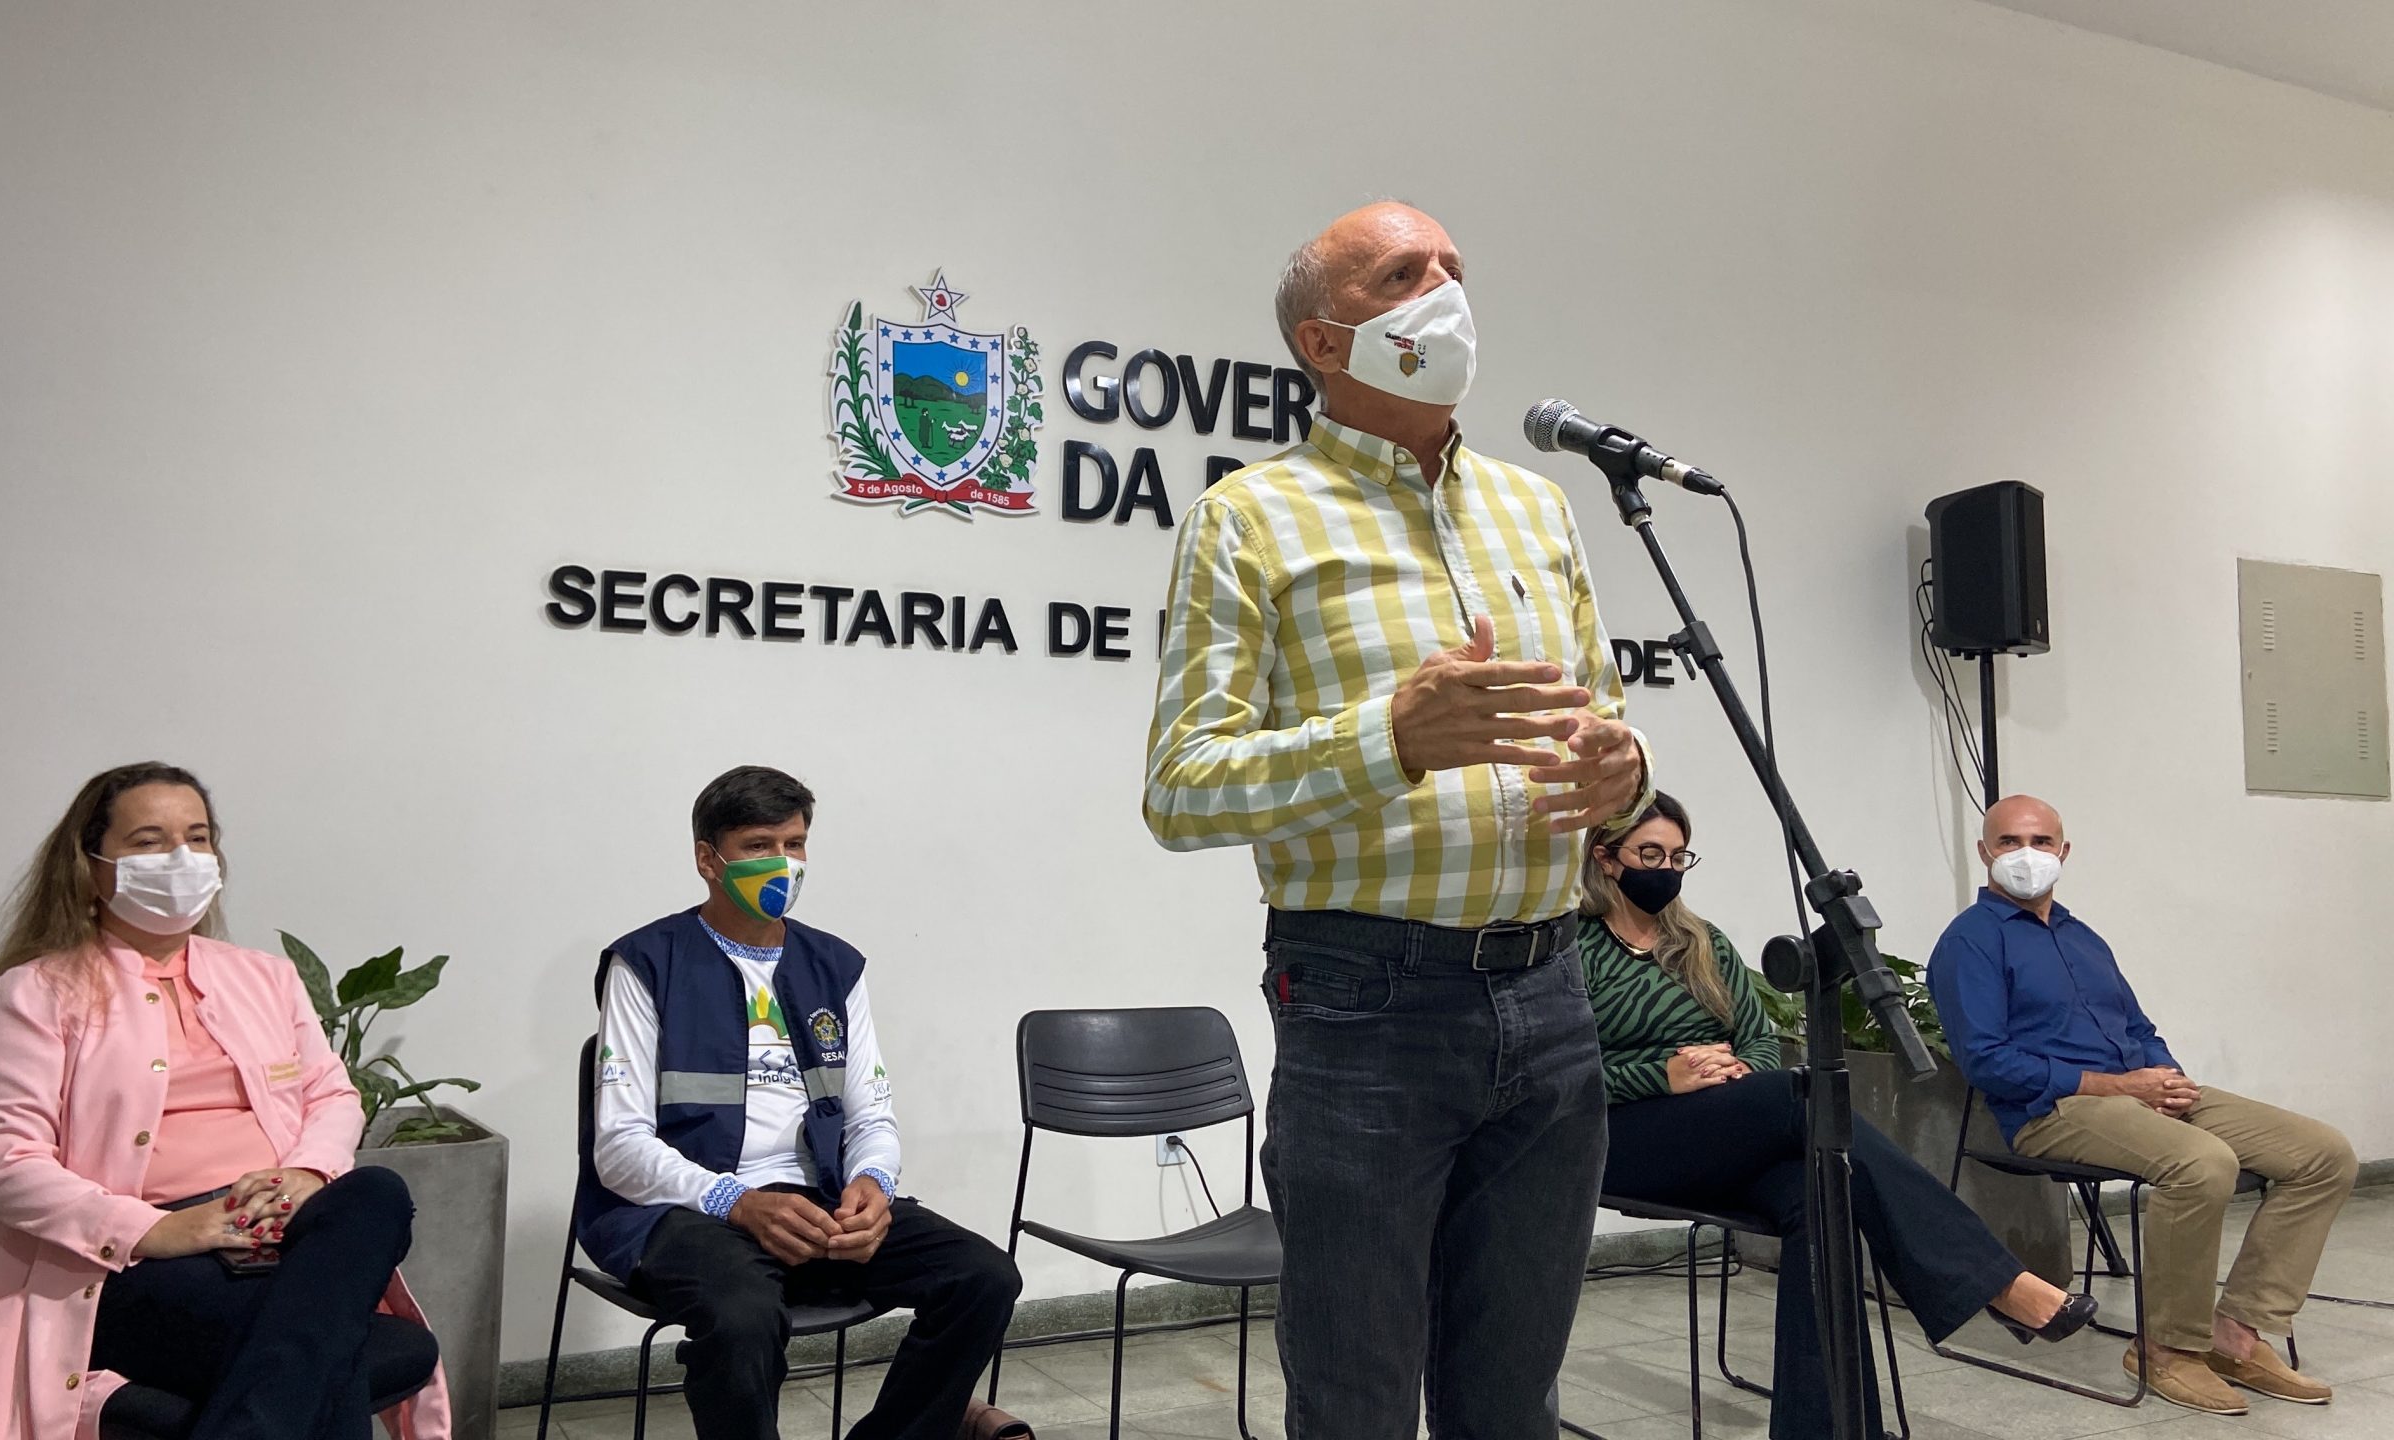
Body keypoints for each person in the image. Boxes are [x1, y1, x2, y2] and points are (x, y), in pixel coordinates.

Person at [1143, 201, 1650, 1437]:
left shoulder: (1538, 508)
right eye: (1402, 273)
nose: (1445, 290)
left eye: (1453, 267)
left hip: (1552, 990)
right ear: (1322, 341)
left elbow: (1607, 721)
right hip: (1365, 999)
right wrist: (1390, 740)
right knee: (1357, 1398)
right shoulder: (1249, 514)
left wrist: (1623, 772)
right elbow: (1182, 787)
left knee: (1511, 1399)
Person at [0, 762, 447, 1440]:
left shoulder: (265, 978)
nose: (181, 858)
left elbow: (331, 1093)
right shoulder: (37, 993)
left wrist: (304, 1173)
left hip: (277, 1235)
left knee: (376, 1193)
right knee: (327, 1353)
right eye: (149, 841)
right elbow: (5, 1164)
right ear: (91, 865)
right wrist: (159, 1230)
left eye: (197, 838)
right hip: (130, 1263)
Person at [1580, 793, 2093, 1439]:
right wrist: (1663, 1074)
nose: (1667, 869)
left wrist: (1735, 1072)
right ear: (1606, 858)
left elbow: (1759, 1041)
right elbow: (1558, 1073)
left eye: (1679, 857)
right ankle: (1999, 1283)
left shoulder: (1701, 943)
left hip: (1720, 1126)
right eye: (1650, 855)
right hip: (1620, 1138)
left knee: (1821, 1192)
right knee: (1799, 1095)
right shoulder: (1570, 948)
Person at [581, 765, 1019, 1440]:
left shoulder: (834, 966)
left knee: (983, 1278)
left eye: (795, 844)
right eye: (758, 846)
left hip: (816, 1202)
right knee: (742, 1317)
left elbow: (870, 1114)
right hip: (686, 1210)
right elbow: (619, 1148)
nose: (782, 863)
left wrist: (874, 1182)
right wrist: (737, 1202)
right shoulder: (646, 963)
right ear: (708, 859)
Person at [1929, 794, 2358, 1416]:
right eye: (2009, 842)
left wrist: (2167, 1080)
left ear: (2064, 851)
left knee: (2323, 1154)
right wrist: (2121, 1088)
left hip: (2139, 1092)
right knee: (2202, 1163)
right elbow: (1987, 1062)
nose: (2027, 855)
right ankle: (2167, 1348)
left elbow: (2137, 1027)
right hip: (2052, 1109)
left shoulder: (2081, 937)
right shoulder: (1970, 941)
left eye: (2041, 842)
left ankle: (2236, 1333)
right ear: (1984, 852)